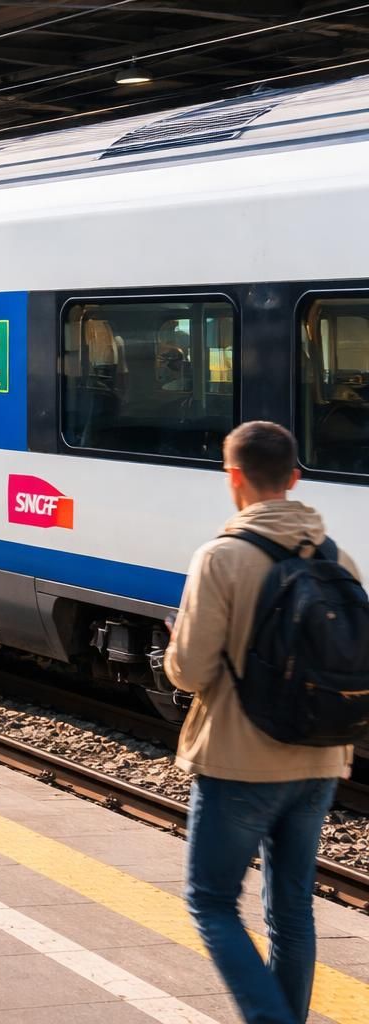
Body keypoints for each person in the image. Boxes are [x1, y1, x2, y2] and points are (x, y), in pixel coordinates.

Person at [166, 421, 357, 1024]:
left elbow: (190, 672)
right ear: (295, 478)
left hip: (240, 762)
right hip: (321, 759)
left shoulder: (221, 557)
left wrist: (176, 649)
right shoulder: (339, 557)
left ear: (235, 477)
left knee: (212, 902)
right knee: (292, 910)